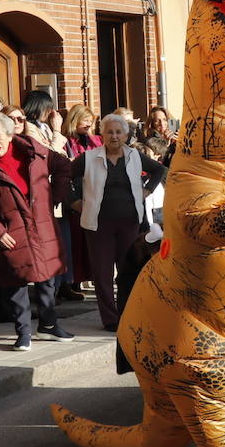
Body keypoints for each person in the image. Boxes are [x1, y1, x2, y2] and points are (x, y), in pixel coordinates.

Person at [0, 112, 74, 351]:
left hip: (41, 223)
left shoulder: (32, 150)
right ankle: (23, 331)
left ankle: (48, 325)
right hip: (10, 231)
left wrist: (54, 198)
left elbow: (63, 167)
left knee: (47, 276)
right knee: (15, 281)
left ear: (10, 134)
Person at [70, 114, 167, 332]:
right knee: (102, 273)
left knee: (127, 270)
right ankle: (110, 319)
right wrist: (74, 201)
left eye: (118, 132)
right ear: (102, 134)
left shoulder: (135, 156)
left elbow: (160, 170)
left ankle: (127, 313)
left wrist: (147, 190)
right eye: (109, 132)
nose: (114, 136)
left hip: (129, 222)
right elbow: (64, 177)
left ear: (126, 135)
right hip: (98, 224)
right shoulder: (88, 158)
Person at [59, 104, 102, 301]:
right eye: (84, 120)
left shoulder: (95, 140)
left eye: (90, 120)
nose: (88, 124)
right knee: (75, 240)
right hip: (77, 196)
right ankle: (72, 282)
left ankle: (89, 277)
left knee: (89, 241)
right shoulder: (68, 142)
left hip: (94, 193)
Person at [21, 89, 67, 155]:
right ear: (37, 107)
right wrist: (57, 129)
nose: (50, 111)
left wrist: (50, 144)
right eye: (47, 108)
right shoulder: (28, 127)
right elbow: (50, 154)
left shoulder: (45, 127)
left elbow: (61, 151)